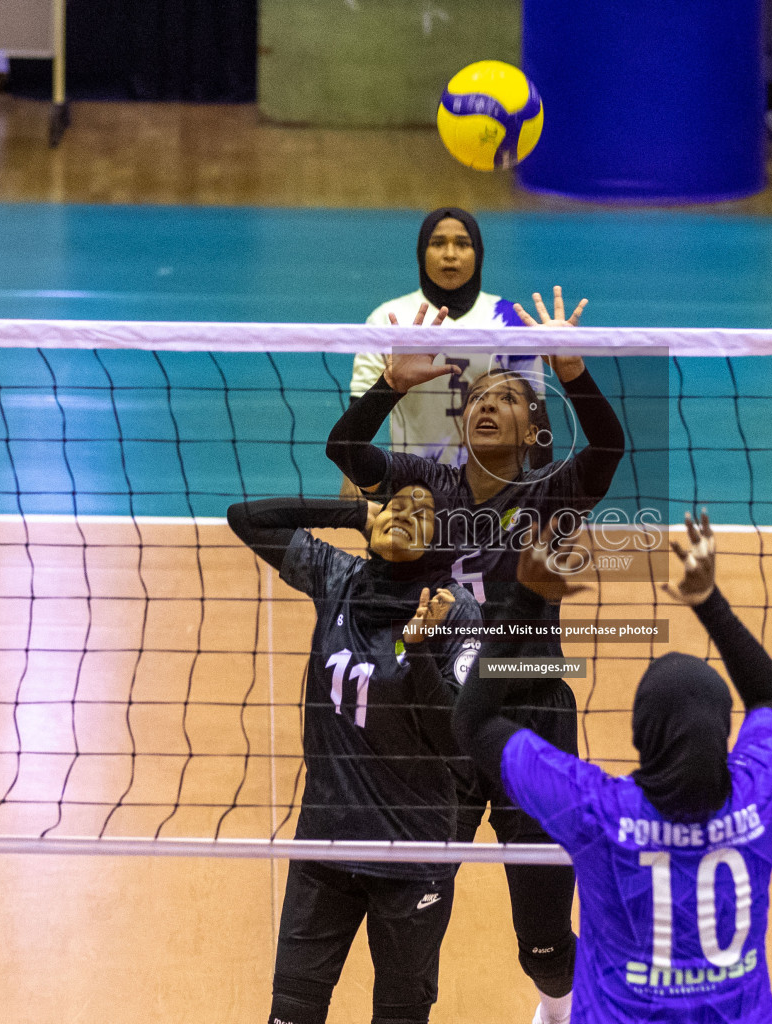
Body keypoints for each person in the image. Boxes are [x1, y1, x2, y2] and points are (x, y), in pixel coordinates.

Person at [326, 286, 622, 1024]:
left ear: (533, 429)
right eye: (479, 397)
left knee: (545, 944)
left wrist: (574, 373)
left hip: (531, 715)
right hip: (440, 718)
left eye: (511, 398)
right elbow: (345, 452)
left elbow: (608, 448)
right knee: (415, 908)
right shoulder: (428, 484)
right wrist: (388, 392)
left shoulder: (553, 494)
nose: (489, 404)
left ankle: (561, 1007)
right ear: (462, 421)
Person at [453, 512, 772, 1024]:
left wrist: (525, 599)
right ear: (724, 731)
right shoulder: (756, 796)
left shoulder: (598, 813)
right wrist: (710, 602)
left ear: (639, 738)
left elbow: (474, 721)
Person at [226, 480, 483, 1024]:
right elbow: (246, 517)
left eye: (424, 512)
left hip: (412, 856)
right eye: (395, 505)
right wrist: (353, 511)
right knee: (290, 1013)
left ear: (442, 539)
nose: (404, 514)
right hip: (325, 843)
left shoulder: (455, 613)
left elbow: (456, 740)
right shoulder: (338, 577)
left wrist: (417, 653)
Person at [351, 207, 540, 469]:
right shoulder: (388, 318)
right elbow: (358, 410)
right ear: (421, 253)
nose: (450, 255)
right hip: (412, 484)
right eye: (438, 243)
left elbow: (536, 415)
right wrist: (350, 478)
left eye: (462, 244)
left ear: (478, 254)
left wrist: (544, 494)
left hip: (495, 486)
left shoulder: (511, 319)